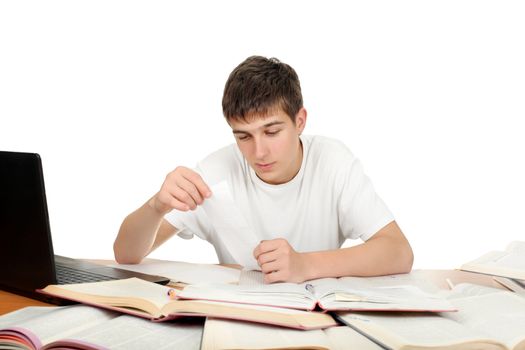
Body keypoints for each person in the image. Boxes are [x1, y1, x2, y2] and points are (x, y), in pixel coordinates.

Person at [113, 55, 413, 283]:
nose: (258, 152)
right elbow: (126, 255)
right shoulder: (215, 170)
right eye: (243, 136)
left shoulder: (333, 161)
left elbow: (399, 252)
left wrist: (305, 265)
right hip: (238, 319)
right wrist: (156, 206)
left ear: (300, 121)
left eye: (271, 132)